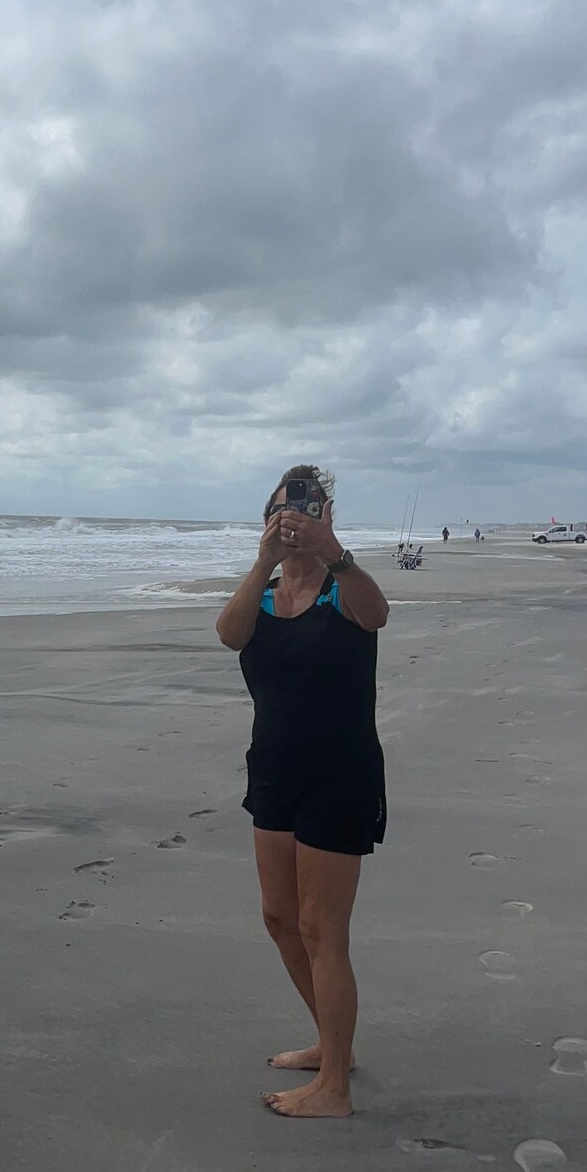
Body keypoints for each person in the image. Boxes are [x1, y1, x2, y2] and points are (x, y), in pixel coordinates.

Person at [210, 464, 390, 1118]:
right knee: (281, 919)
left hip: (340, 774)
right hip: (274, 772)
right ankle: (330, 1044)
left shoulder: (343, 589)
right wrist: (264, 564)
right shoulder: (261, 596)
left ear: (326, 516)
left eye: (304, 510)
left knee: (322, 930)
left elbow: (378, 614)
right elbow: (229, 634)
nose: (292, 520)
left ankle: (335, 1088)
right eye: (281, 511)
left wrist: (332, 554)